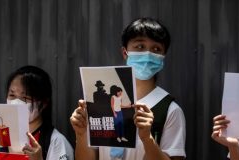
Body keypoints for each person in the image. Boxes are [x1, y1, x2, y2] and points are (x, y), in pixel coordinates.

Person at [70, 17, 186, 160]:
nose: (148, 54)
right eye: (140, 47)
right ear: (125, 52)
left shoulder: (170, 110)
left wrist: (147, 139)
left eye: (156, 49)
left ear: (162, 57)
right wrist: (81, 135)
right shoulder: (100, 104)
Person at [0, 65, 74, 160]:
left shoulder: (56, 142)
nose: (16, 102)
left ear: (44, 103)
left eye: (26, 98)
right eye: (12, 95)